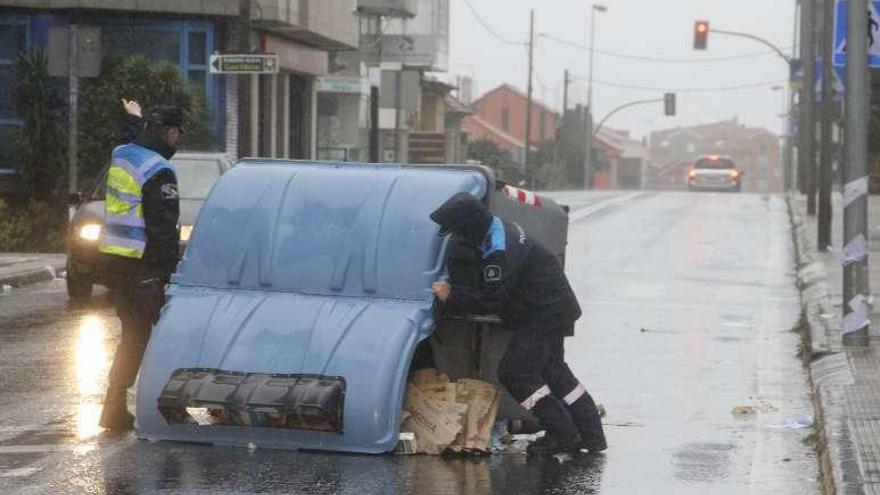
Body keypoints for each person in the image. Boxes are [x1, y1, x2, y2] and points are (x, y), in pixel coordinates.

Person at [429, 192, 606, 456]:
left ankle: (561, 431)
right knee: (554, 371)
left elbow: (492, 301)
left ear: (468, 226)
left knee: (516, 372)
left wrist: (451, 296)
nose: (457, 236)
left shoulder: (499, 251)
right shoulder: (496, 230)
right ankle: (591, 434)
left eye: (457, 230)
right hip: (553, 305)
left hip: (544, 311)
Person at [98, 100, 184, 431]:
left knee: (132, 337)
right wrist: (170, 274)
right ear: (169, 132)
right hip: (144, 268)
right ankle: (163, 409)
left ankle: (114, 405)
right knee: (161, 337)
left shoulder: (122, 155)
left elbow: (127, 136)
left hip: (115, 264)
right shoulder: (159, 169)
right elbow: (163, 230)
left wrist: (132, 118)